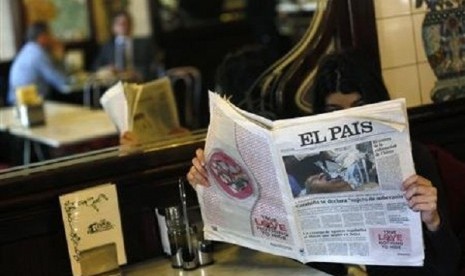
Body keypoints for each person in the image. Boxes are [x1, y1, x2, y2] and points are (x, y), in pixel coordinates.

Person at [186, 50, 461, 275]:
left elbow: (448, 265)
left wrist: (433, 220)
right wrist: (212, 185)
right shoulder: (305, 167)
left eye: (358, 107)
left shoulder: (414, 158)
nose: (348, 120)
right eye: (334, 111)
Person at [8, 21, 72, 105]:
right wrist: (60, 57)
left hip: (16, 102)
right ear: (43, 37)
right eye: (50, 34)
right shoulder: (38, 54)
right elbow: (62, 82)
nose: (53, 38)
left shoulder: (28, 50)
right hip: (27, 104)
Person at [93, 10, 157, 82]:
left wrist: (139, 74)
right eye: (119, 23)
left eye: (125, 23)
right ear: (113, 27)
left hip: (138, 82)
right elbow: (95, 66)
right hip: (114, 84)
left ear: (131, 25)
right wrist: (107, 69)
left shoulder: (144, 44)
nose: (122, 26)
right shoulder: (107, 46)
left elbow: (154, 66)